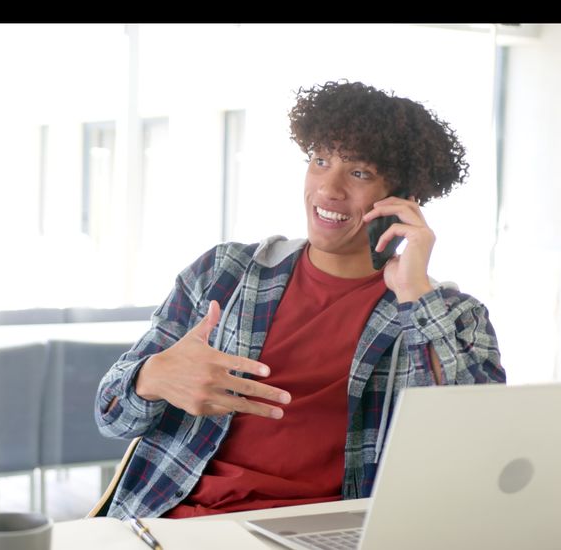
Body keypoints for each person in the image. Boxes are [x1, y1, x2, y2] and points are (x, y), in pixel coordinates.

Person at [95, 80, 505, 519]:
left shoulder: (452, 316)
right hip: (170, 525)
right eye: (321, 161)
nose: (329, 188)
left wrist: (415, 295)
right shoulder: (223, 272)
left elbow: (475, 449)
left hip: (321, 533)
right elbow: (111, 414)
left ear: (403, 200)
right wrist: (150, 379)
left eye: (359, 173)